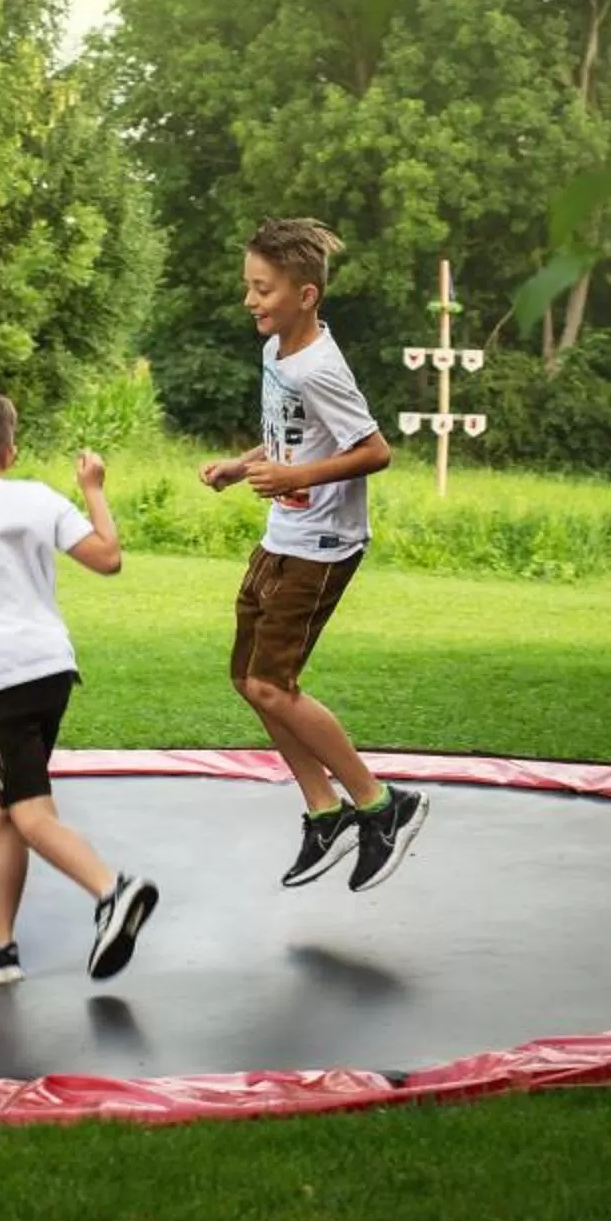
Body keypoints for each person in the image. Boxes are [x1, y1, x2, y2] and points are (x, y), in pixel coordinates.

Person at [199, 217, 431, 891]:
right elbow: (291, 437)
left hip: (323, 548)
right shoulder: (277, 351)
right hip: (282, 537)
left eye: (263, 289)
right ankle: (326, 812)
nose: (250, 299)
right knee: (248, 680)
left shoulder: (321, 367)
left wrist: (294, 478)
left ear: (306, 295)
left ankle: (382, 805)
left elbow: (375, 452)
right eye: (249, 285)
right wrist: (243, 466)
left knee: (274, 685)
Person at [0, 388, 157, 984]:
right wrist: (93, 488)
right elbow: (108, 557)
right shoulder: (39, 497)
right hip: (53, 671)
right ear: (10, 453)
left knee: (29, 811)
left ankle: (113, 891)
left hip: (0, 681)